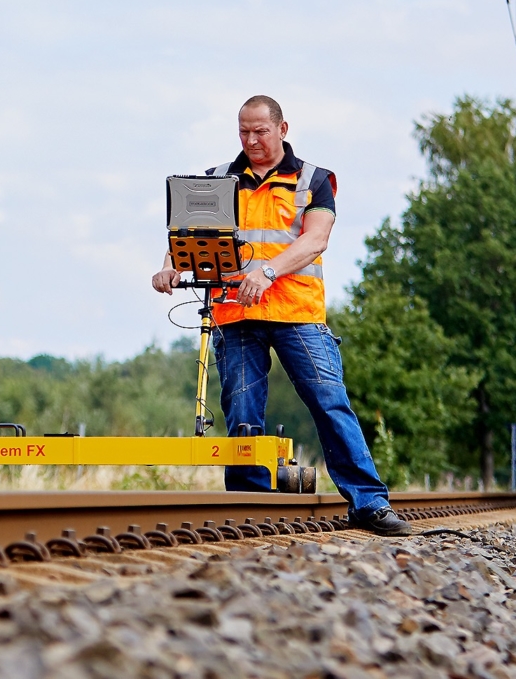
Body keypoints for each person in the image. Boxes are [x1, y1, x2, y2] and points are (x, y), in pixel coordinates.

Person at [152, 95, 411, 536]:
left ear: (282, 129)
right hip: (236, 311)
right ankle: (251, 506)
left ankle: (369, 503)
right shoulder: (217, 180)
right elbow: (189, 235)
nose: (251, 140)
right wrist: (171, 265)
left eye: (260, 131)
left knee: (330, 403)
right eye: (243, 132)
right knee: (243, 411)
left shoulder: (314, 180)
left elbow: (316, 240)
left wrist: (267, 271)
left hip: (297, 311)